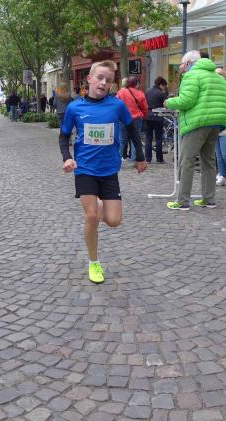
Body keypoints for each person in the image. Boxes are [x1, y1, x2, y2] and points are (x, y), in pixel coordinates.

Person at [59, 60, 147, 284]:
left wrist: (140, 157)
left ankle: (98, 205)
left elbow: (132, 130)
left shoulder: (117, 106)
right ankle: (94, 262)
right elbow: (64, 136)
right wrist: (67, 158)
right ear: (89, 79)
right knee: (91, 217)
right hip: (85, 169)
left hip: (109, 170)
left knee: (114, 220)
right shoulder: (75, 108)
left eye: (108, 80)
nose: (103, 83)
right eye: (99, 77)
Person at [165, 51, 226, 210]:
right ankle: (209, 199)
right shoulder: (218, 77)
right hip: (216, 122)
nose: (181, 67)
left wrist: (169, 102)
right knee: (208, 161)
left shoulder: (191, 75)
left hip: (197, 122)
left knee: (186, 161)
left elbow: (187, 100)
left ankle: (182, 201)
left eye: (182, 64)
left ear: (189, 63)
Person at [117, 76, 148, 161]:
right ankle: (134, 158)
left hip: (122, 118)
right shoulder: (140, 93)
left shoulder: (121, 92)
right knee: (135, 139)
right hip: (136, 119)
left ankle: (117, 158)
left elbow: (116, 104)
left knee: (121, 139)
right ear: (137, 84)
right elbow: (145, 107)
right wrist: (144, 115)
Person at [144, 77, 168, 164]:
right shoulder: (161, 93)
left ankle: (148, 159)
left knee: (148, 138)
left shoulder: (147, 92)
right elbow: (166, 105)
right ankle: (159, 159)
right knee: (158, 138)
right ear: (161, 84)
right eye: (164, 86)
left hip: (147, 116)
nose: (164, 88)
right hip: (158, 116)